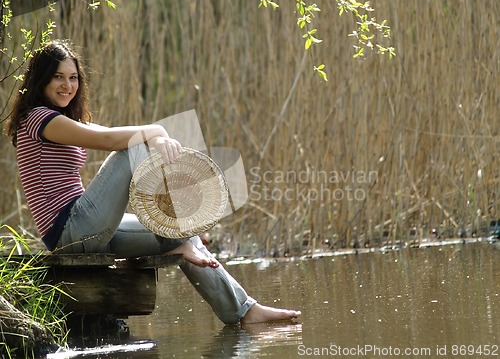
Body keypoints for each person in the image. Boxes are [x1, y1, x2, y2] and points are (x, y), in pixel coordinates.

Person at [5, 40, 300, 325]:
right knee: (133, 148)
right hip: (70, 230)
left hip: (86, 230)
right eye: (58, 77)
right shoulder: (38, 119)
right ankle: (177, 227)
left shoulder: (61, 119)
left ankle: (244, 311)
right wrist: (157, 131)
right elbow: (110, 140)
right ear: (41, 79)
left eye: (73, 78)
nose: (67, 86)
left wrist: (155, 138)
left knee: (181, 230)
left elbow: (112, 131)